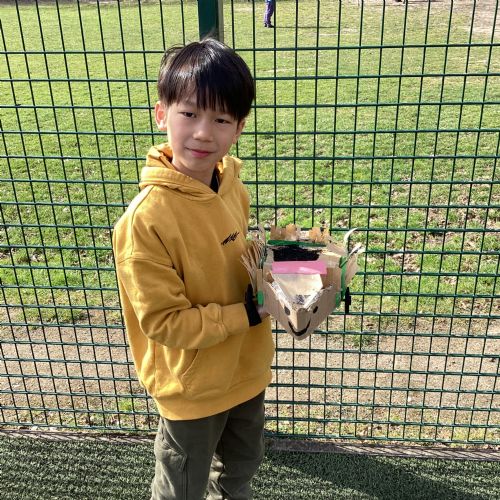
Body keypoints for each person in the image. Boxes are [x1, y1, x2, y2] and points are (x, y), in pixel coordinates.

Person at [112, 38, 275, 500]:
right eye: (189, 113)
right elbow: (165, 322)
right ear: (161, 114)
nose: (204, 133)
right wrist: (248, 313)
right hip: (191, 389)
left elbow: (237, 258)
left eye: (221, 120)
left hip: (246, 370)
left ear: (239, 128)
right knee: (181, 487)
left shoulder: (231, 185)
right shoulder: (145, 221)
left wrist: (286, 278)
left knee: (240, 470)